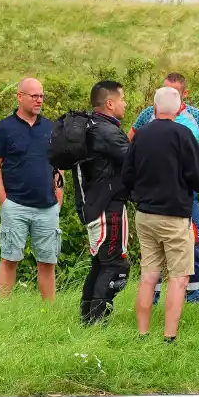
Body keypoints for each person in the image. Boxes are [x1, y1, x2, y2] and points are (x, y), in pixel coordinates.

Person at [129, 72, 199, 305]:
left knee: (192, 243)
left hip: (186, 195)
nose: (168, 95)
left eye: (174, 91)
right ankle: (152, 298)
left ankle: (195, 298)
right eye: (164, 89)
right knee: (151, 249)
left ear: (185, 94)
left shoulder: (198, 118)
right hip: (151, 195)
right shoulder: (147, 115)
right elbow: (129, 145)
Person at [122, 86, 199, 342]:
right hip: (174, 216)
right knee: (179, 278)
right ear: (179, 106)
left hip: (145, 215)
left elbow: (126, 175)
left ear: (155, 106)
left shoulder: (140, 135)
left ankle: (142, 333)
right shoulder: (183, 135)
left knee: (149, 274)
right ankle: (169, 337)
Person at [0, 77, 64, 302]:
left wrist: (59, 197)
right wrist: (4, 202)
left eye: (42, 96)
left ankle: (49, 314)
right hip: (16, 206)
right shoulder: (4, 128)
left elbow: (57, 165)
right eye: (34, 96)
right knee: (9, 259)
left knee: (48, 262)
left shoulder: (51, 128)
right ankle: (4, 311)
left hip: (47, 207)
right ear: (19, 97)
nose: (39, 100)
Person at [69, 80, 131, 324]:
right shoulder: (106, 132)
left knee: (101, 263)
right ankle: (98, 321)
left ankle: (88, 318)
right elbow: (134, 163)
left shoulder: (89, 126)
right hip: (107, 206)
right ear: (109, 103)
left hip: (93, 203)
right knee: (115, 265)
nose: (125, 104)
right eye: (122, 99)